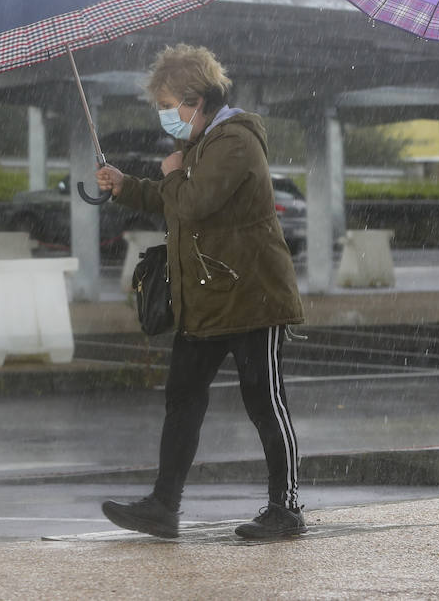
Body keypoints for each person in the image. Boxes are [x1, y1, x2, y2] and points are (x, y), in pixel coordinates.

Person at [95, 44, 307, 541]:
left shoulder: (235, 141)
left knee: (265, 402)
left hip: (252, 297)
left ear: (195, 99)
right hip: (205, 300)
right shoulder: (201, 142)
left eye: (167, 104)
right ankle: (163, 506)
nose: (164, 115)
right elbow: (175, 202)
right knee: (182, 399)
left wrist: (170, 175)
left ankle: (286, 507)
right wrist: (126, 185)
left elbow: (193, 201)